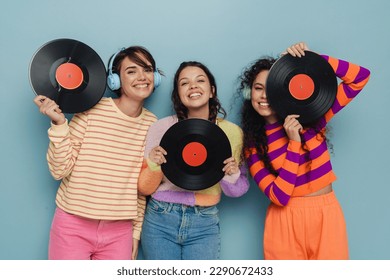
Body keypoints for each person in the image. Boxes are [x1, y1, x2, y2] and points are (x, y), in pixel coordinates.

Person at [238, 42, 370, 260]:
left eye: (270, 88)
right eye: (258, 88)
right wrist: (294, 143)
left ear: (281, 88)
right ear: (248, 93)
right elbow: (279, 196)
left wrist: (315, 60)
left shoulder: (314, 118)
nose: (263, 95)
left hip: (325, 214)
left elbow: (359, 78)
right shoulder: (253, 147)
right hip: (284, 222)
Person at [33, 46, 162, 260]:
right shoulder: (91, 109)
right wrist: (59, 125)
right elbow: (59, 170)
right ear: (115, 80)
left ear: (155, 77)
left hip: (120, 231)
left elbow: (139, 186)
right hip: (72, 225)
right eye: (131, 71)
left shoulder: (153, 124)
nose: (142, 77)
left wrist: (136, 233)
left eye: (147, 70)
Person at [138, 61, 249, 260]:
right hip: (160, 218)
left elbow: (239, 190)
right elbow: (145, 188)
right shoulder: (161, 128)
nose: (193, 86)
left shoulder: (233, 133)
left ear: (212, 90)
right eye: (184, 83)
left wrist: (232, 175)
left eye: (200, 80)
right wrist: (154, 164)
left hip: (204, 223)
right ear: (178, 95)